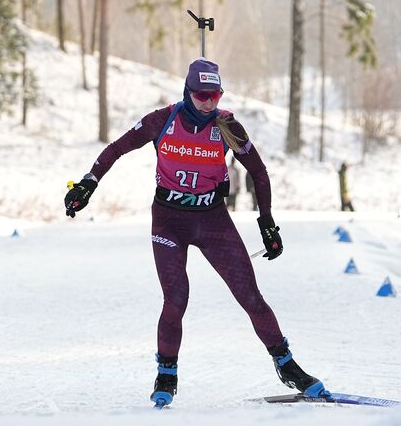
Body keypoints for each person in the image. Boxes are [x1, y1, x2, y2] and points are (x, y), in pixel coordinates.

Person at [65, 58, 327, 407]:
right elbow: (116, 149)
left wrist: (267, 224)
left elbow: (259, 173)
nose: (208, 103)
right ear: (188, 92)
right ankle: (166, 374)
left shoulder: (227, 125)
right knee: (176, 299)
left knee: (250, 296)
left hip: (212, 220)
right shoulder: (163, 119)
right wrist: (88, 183)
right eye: (202, 95)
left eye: (215, 95)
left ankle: (287, 365)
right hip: (168, 220)